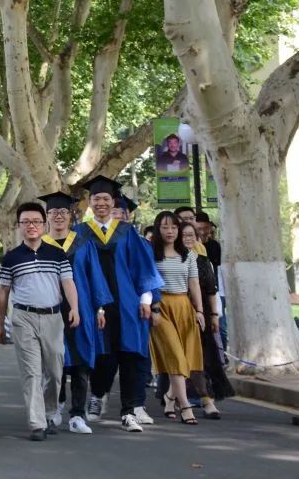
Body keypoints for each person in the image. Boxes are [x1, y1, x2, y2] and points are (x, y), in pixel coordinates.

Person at [78, 175, 164, 433]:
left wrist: (146, 299)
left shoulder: (128, 233)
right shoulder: (80, 233)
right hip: (94, 304)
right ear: (90, 203)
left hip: (127, 305)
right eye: (96, 199)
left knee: (130, 356)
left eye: (106, 199)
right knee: (102, 356)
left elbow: (143, 268)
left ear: (113, 202)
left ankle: (128, 412)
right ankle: (97, 394)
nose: (101, 203)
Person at [0, 202, 79, 441]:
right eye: (26, 222)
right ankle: (37, 423)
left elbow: (68, 282)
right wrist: (0, 324)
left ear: (44, 224)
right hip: (24, 318)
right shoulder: (11, 258)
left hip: (53, 317)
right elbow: (3, 293)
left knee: (55, 371)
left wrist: (74, 308)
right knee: (31, 373)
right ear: (19, 226)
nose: (31, 226)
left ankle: (51, 413)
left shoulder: (57, 254)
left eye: (35, 221)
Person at [39, 192, 112, 435]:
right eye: (53, 212)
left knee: (81, 361)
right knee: (54, 362)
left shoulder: (84, 244)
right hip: (50, 310)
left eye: (63, 212)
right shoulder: (40, 245)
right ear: (47, 217)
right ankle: (56, 407)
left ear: (71, 216)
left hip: (82, 310)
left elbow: (95, 276)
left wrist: (100, 308)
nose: (58, 216)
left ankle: (78, 414)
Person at [148, 212, 206, 426]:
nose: (170, 231)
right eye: (165, 227)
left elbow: (194, 283)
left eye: (173, 227)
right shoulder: (151, 254)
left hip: (184, 306)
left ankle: (170, 397)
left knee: (186, 358)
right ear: (158, 229)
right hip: (160, 307)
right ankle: (186, 406)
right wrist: (153, 308)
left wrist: (200, 310)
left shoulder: (188, 254)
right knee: (175, 355)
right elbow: (147, 282)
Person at [180, 220, 233, 410]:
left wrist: (214, 315)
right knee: (179, 357)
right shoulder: (170, 259)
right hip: (177, 311)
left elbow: (212, 290)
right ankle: (174, 396)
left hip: (201, 313)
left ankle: (205, 397)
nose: (187, 239)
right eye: (184, 235)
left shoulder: (203, 260)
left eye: (191, 235)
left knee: (203, 357)